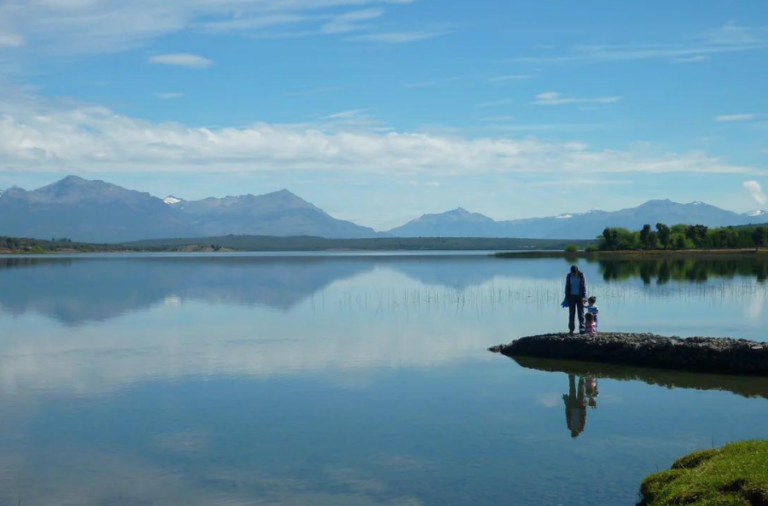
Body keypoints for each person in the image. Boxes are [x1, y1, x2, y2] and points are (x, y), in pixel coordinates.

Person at [564, 265, 587, 335]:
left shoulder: (581, 276)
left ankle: (582, 329)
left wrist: (584, 297)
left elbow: (583, 287)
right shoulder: (568, 276)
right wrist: (566, 297)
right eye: (572, 273)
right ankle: (571, 330)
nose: (573, 274)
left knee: (581, 314)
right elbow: (567, 287)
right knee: (571, 314)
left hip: (580, 297)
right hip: (571, 297)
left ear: (577, 271)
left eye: (574, 273)